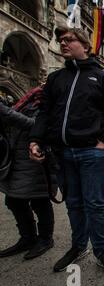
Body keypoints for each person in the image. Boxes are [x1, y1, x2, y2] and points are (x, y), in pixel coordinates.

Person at [28, 26, 104, 275]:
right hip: (62, 152)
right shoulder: (56, 78)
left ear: (85, 46)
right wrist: (35, 139)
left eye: (69, 40)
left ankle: (102, 250)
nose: (63, 43)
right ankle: (78, 245)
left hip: (92, 151)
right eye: (60, 40)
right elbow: (45, 112)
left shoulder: (103, 78)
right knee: (73, 203)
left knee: (94, 203)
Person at [0, 88, 56, 260]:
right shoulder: (27, 100)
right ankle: (28, 237)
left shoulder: (50, 103)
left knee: (40, 201)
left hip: (36, 160)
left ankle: (45, 239)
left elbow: (36, 124)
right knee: (13, 200)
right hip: (17, 158)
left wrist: (5, 112)